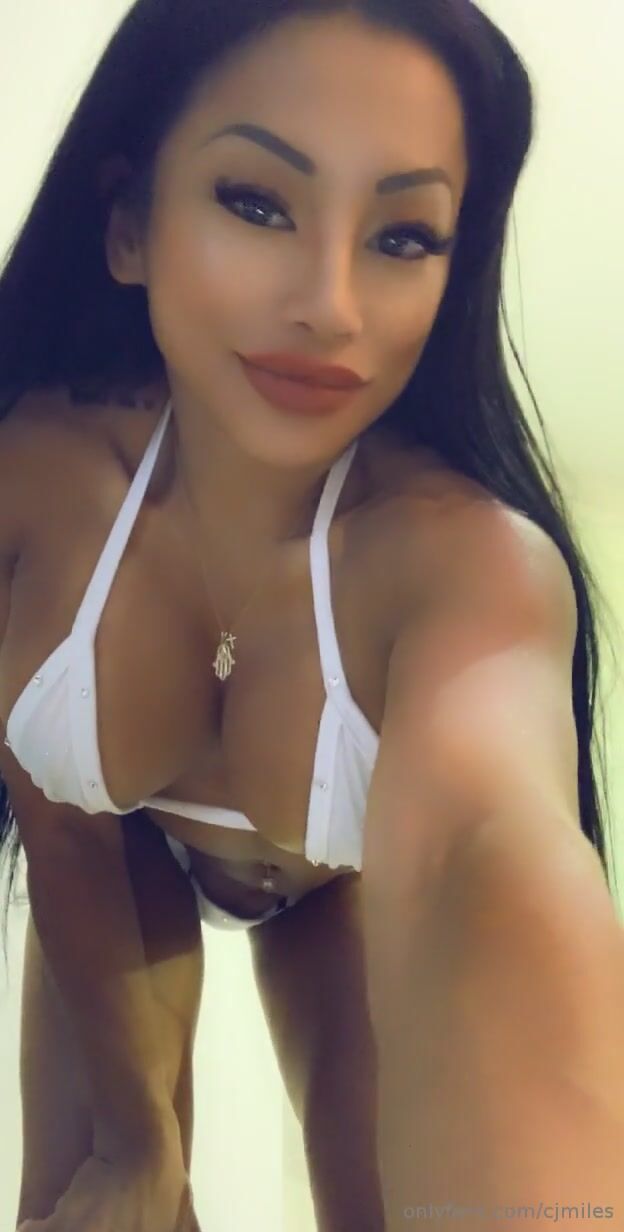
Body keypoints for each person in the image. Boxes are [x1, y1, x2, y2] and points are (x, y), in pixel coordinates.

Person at [0, 1, 620, 1230]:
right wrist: (138, 1141)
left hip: (332, 890)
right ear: (127, 225)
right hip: (118, 862)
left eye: (402, 235)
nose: (331, 306)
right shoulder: (37, 477)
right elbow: (60, 820)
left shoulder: (470, 568)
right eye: (258, 202)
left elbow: (481, 858)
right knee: (86, 1198)